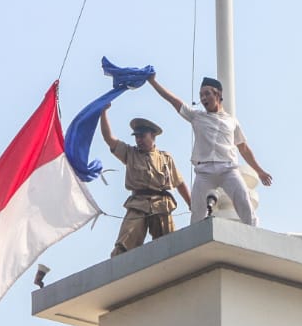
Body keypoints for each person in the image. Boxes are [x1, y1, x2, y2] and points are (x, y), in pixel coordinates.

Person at [146, 74, 272, 225]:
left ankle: (253, 233)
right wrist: (153, 82)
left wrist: (260, 171)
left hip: (228, 169)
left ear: (218, 94)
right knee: (197, 210)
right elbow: (173, 101)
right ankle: (194, 241)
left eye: (207, 94)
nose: (203, 98)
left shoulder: (231, 121)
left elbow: (244, 148)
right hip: (204, 171)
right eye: (201, 95)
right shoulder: (196, 116)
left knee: (244, 200)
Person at [99, 105, 192, 257]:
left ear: (153, 136)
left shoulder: (165, 158)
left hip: (161, 204)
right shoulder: (130, 153)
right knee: (123, 246)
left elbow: (179, 183)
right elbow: (109, 139)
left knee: (169, 247)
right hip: (138, 203)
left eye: (142, 136)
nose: (139, 140)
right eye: (136, 136)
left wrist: (191, 204)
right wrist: (103, 113)